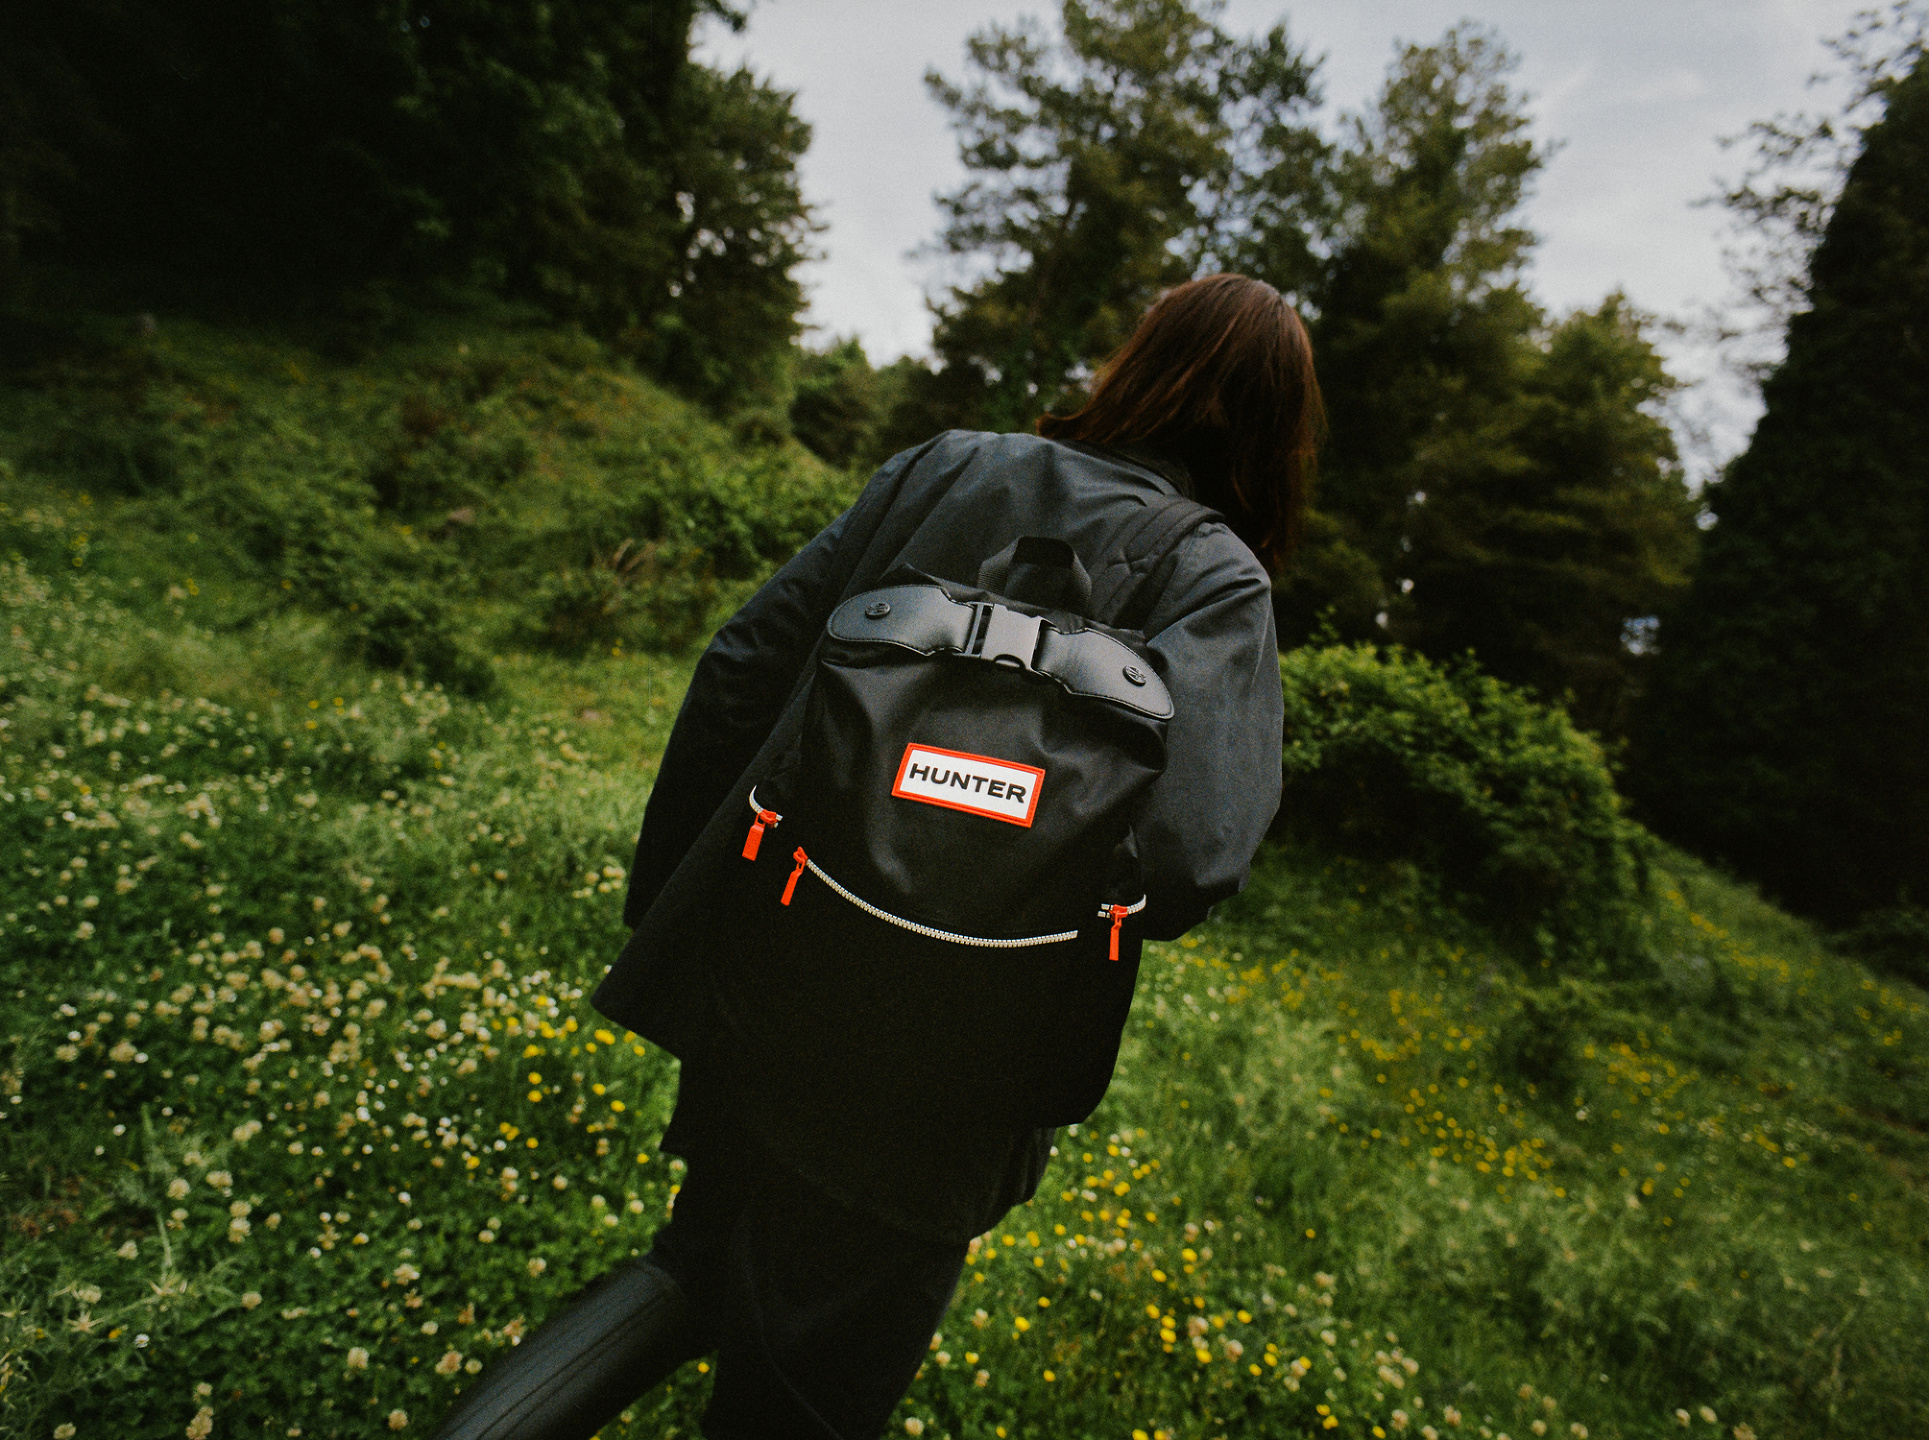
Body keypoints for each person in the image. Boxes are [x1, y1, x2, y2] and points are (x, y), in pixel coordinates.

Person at [427, 273, 1322, 1440]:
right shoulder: (1213, 579)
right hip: (943, 1091)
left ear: (1137, 362)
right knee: (803, 1406)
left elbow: (743, 665)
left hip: (768, 976)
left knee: (692, 1266)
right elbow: (1191, 856)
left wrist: (691, 917)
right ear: (1275, 436)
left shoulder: (945, 468)